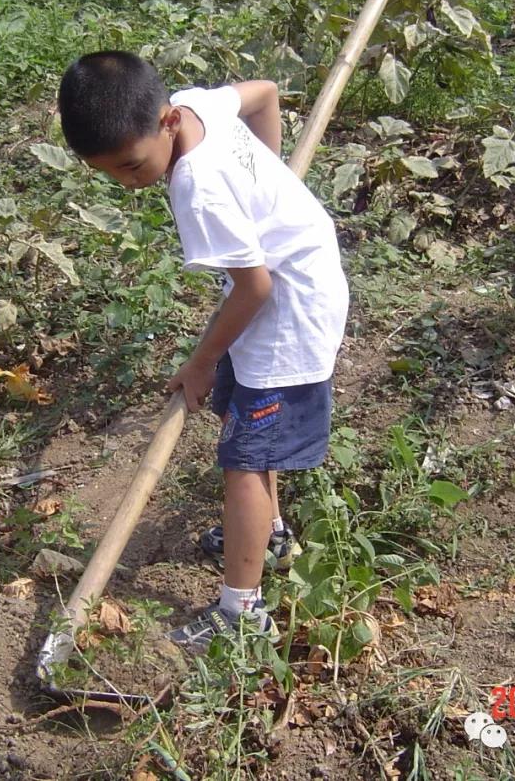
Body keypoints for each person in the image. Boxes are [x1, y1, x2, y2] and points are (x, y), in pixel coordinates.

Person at [57, 51, 349, 650]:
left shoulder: (198, 189)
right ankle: (268, 535)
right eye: (108, 172)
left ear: (165, 122)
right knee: (240, 422)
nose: (129, 181)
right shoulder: (196, 107)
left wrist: (201, 360)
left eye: (132, 165)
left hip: (289, 312)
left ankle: (242, 612)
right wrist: (270, 183)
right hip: (283, 284)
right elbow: (265, 91)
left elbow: (255, 286)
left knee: (244, 457)